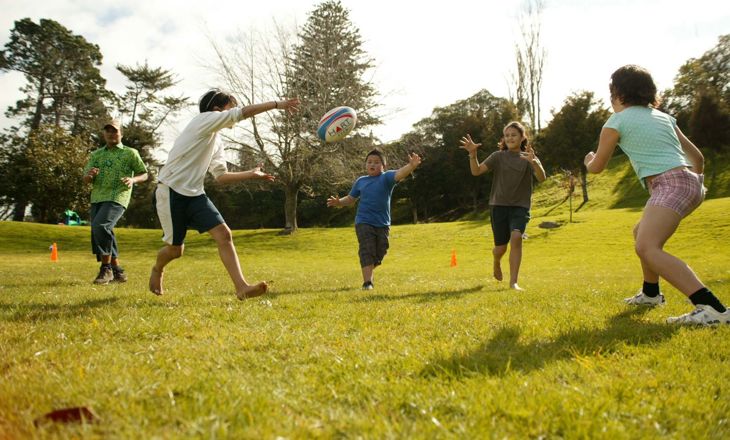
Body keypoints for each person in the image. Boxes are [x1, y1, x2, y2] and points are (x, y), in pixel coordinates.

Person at [584, 64, 728, 325]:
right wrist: (693, 184)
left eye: (611, 93)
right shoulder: (664, 118)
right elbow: (697, 157)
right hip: (689, 181)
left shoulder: (615, 121)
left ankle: (712, 308)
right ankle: (651, 294)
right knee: (640, 233)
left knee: (647, 246)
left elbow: (597, 167)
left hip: (669, 184)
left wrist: (588, 160)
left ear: (617, 93)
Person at [149, 89, 299, 300]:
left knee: (224, 234)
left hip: (195, 194)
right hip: (171, 191)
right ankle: (157, 268)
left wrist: (251, 174)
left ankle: (242, 288)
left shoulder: (216, 138)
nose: (233, 113)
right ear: (217, 109)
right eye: (230, 107)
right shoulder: (204, 120)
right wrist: (277, 104)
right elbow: (242, 113)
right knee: (175, 250)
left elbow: (220, 176)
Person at [460, 122, 546, 290]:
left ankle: (513, 282)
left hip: (520, 207)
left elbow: (542, 178)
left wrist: (534, 161)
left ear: (522, 137)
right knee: (500, 248)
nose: (510, 138)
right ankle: (496, 261)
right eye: (506, 135)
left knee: (516, 237)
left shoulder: (529, 157)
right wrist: (472, 154)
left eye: (513, 135)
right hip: (498, 206)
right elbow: (476, 171)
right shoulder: (498, 156)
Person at [327, 149, 421, 290]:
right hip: (363, 221)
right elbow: (351, 198)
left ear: (383, 166)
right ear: (365, 165)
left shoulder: (386, 178)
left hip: (382, 223)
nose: (372, 164)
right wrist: (339, 202)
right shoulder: (361, 181)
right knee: (367, 248)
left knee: (381, 250)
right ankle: (367, 283)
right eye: (369, 162)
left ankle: (368, 266)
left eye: (377, 162)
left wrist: (411, 166)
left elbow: (400, 173)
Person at [83, 119, 148, 284]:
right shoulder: (96, 154)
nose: (111, 134)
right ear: (104, 134)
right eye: (108, 131)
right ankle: (118, 271)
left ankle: (106, 270)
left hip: (118, 196)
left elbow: (144, 174)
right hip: (98, 197)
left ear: (121, 134)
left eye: (115, 131)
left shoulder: (130, 153)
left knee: (101, 226)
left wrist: (133, 180)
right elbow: (86, 179)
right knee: (101, 231)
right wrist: (90, 176)